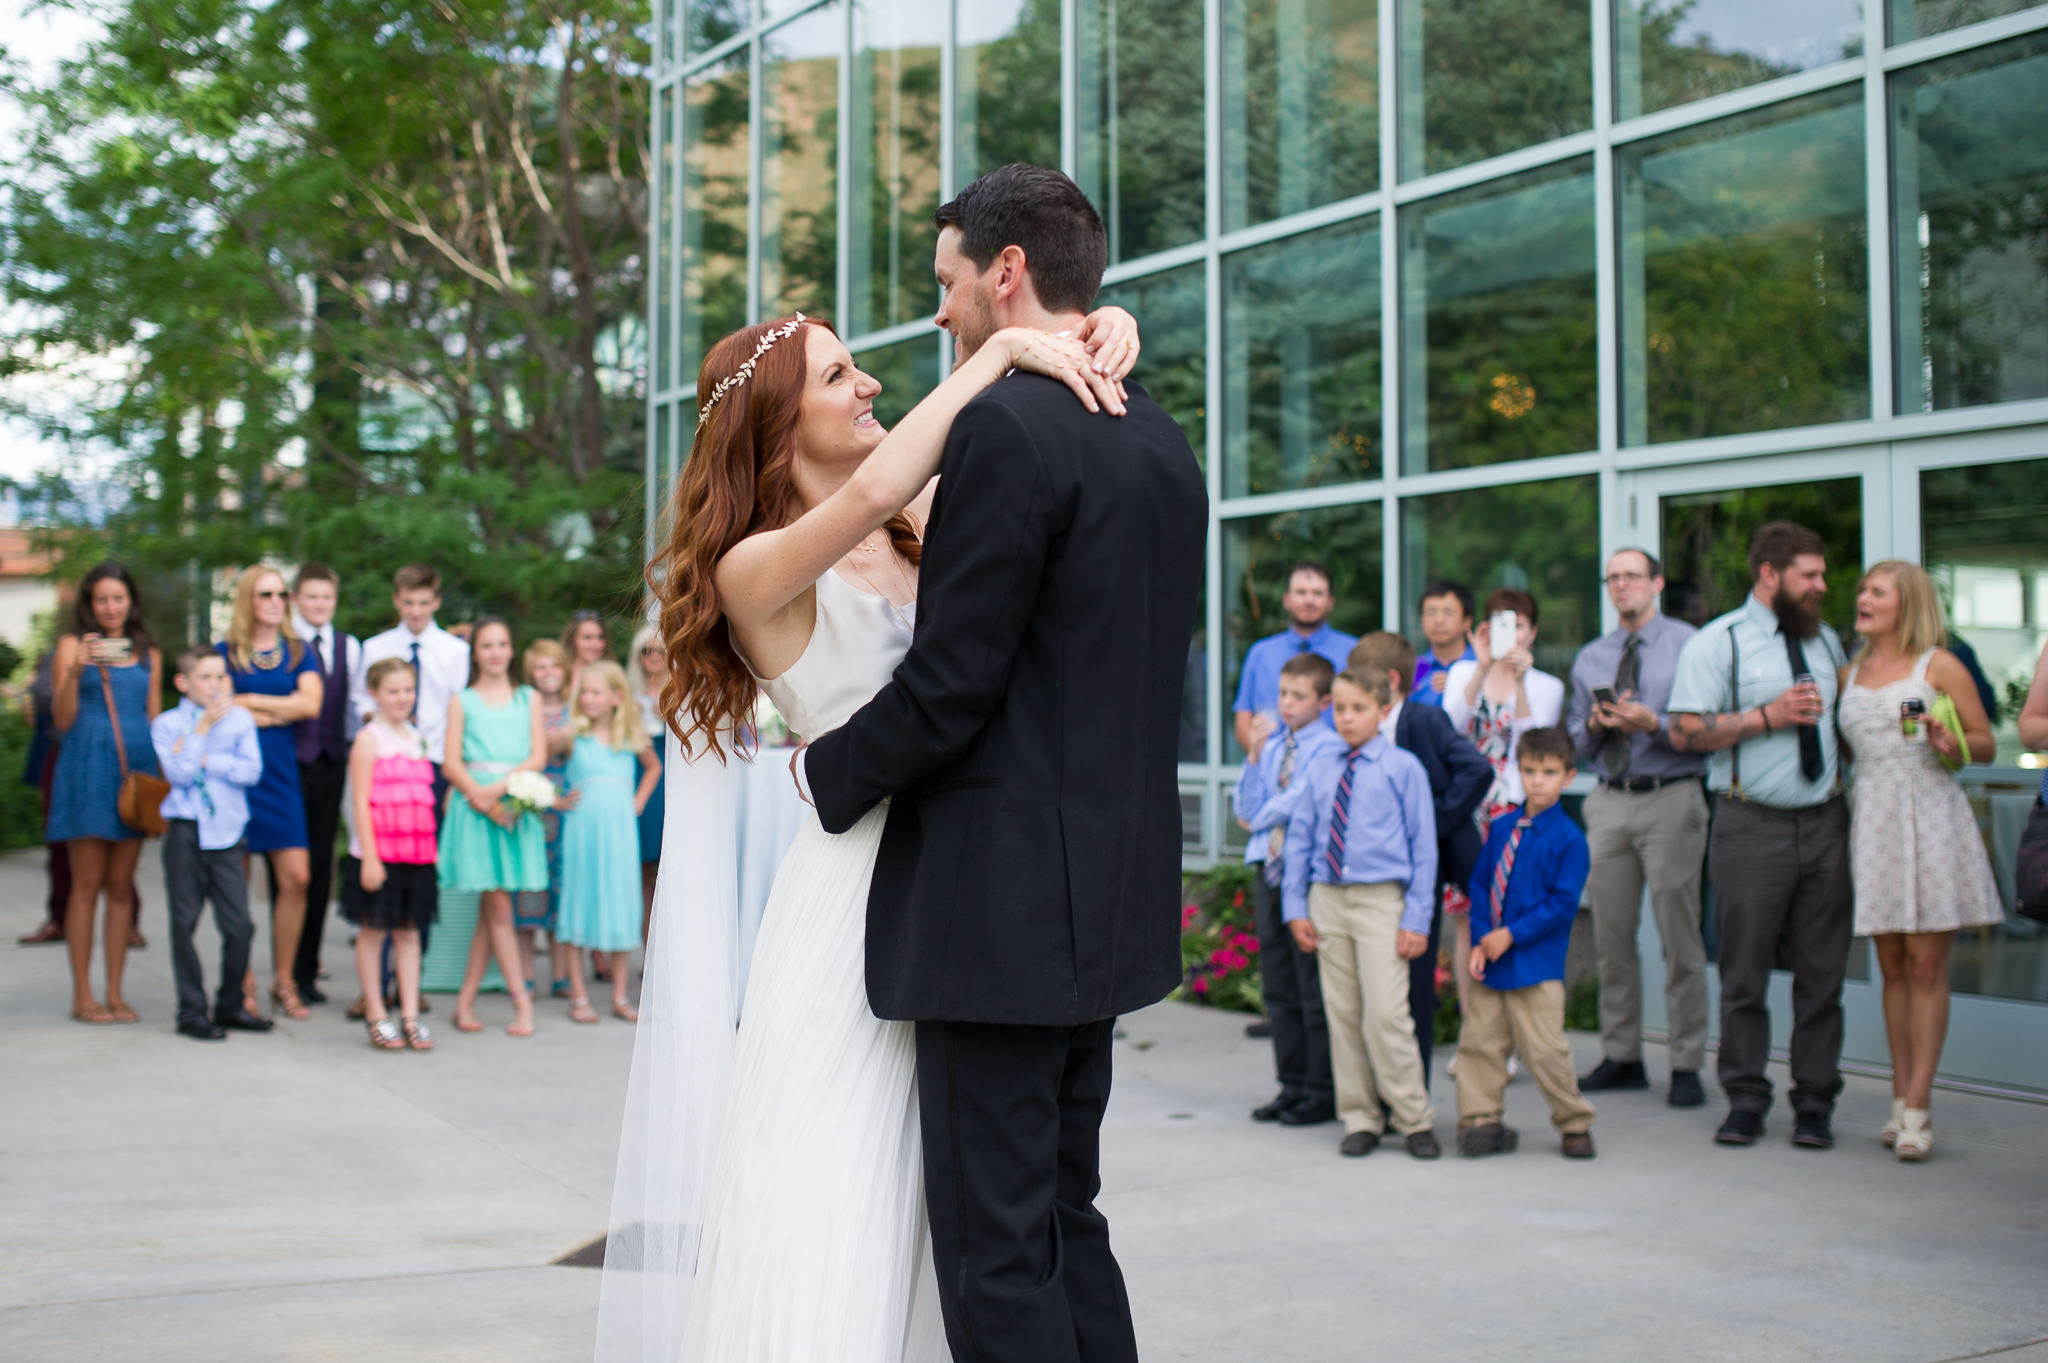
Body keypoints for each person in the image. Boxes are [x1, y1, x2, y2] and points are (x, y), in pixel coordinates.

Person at [597, 167, 1154, 1362]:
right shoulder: (761, 564)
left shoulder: (920, 516)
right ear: (775, 422)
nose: (871, 383)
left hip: (971, 877)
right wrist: (1006, 354)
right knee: (846, 1191)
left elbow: (1019, 487)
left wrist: (1101, 328)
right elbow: (900, 472)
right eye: (841, 375)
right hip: (857, 900)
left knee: (980, 1204)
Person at [1669, 521, 1852, 1151]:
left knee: (1823, 974)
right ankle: (1745, 1098)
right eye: (1810, 575)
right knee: (1745, 973)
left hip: (1827, 822)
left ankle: (1814, 1102)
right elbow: (1684, 731)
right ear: (1769, 575)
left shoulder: (1828, 642)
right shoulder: (1718, 643)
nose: (1822, 586)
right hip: (1751, 825)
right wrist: (1764, 717)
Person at [1838, 561, 2002, 1161]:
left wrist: (1950, 742)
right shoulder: (1847, 673)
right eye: (1861, 589)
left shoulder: (1940, 665)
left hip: (1931, 814)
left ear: (1905, 603)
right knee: (1893, 966)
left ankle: (1918, 1106)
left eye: (1875, 591)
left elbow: (1984, 744)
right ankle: (1896, 1094)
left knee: (1929, 966)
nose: (1862, 598)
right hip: (1874, 819)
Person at [1567, 548, 1709, 1108]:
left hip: (1671, 795)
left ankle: (1686, 1062)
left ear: (1657, 582)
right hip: (1608, 800)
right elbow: (1574, 743)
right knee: (1611, 937)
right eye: (1613, 578)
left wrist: (1657, 722)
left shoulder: (1689, 646)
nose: (1621, 585)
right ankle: (1622, 1053)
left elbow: (1708, 725)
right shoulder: (1591, 657)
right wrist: (1598, 725)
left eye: (1632, 576)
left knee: (1680, 937)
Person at [1279, 667, 1441, 1160]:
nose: (1347, 719)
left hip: (1380, 902)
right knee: (1343, 1014)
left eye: (1359, 709)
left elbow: (1424, 847)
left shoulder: (1403, 767)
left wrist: (1417, 917)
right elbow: (1301, 838)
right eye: (1340, 709)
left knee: (1387, 1014)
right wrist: (1296, 905)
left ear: (1384, 710)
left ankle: (1413, 1117)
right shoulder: (1322, 767)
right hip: (1329, 899)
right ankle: (1361, 1115)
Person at [1347, 631, 1492, 1085]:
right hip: (1378, 872)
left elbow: (1477, 769)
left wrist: (1434, 823)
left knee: (1416, 976)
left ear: (1390, 682)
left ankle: (1416, 1090)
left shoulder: (1425, 720)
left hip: (1430, 865)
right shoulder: (1354, 731)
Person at [1458, 726, 1598, 1158]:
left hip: (1535, 964)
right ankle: (1482, 1119)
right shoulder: (1501, 828)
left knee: (1544, 1049)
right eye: (1530, 770)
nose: (1538, 781)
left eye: (1549, 772)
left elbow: (1560, 905)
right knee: (1481, 1043)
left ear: (1568, 777)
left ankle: (1574, 1121)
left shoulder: (1571, 841)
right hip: (1492, 961)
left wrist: (1510, 935)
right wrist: (1482, 939)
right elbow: (1481, 886)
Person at [1443, 586, 1564, 1065]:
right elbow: (1449, 726)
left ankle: (1513, 1043)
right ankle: (1477, 1037)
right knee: (1466, 924)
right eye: (1499, 622)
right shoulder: (1460, 672)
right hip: (1465, 812)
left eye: (1517, 623)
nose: (1509, 632)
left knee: (1511, 920)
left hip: (1512, 811)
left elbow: (1535, 746)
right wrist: (1479, 668)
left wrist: (1515, 678)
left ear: (1532, 632)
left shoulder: (1546, 684)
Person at [46, 562, 164, 1023]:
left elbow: (154, 718)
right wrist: (75, 672)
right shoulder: (72, 647)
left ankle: (115, 992)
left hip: (135, 772)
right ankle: (82, 996)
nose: (110, 607)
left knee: (121, 888)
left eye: (118, 598)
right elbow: (60, 719)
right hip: (85, 767)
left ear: (131, 600)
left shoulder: (146, 650)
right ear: (88, 604)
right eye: (101, 599)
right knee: (87, 886)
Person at [1232, 651, 1343, 1125]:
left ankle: (1321, 1088)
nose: (1287, 704)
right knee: (1278, 984)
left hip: (1304, 872)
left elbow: (1287, 807)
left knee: (1310, 985)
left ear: (1322, 701)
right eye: (1282, 694)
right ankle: (1290, 1083)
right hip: (1267, 868)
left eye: (1299, 696)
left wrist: (1258, 813)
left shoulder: (1328, 747)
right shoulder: (1273, 745)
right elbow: (1243, 806)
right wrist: (1254, 753)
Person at [218, 564, 324, 1021]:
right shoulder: (225, 653)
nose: (277, 601)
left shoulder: (299, 651)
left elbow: (311, 705)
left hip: (279, 774)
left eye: (282, 593)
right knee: (235, 885)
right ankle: (241, 980)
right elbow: (219, 707)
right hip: (236, 777)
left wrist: (250, 703)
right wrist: (277, 711)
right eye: (266, 594)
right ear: (248, 599)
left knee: (296, 877)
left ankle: (284, 978)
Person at [150, 648, 269, 1041]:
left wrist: (206, 761)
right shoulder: (167, 725)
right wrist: (201, 730)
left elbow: (251, 771)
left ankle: (230, 1003)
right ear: (183, 683)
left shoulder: (240, 721)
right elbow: (179, 775)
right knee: (184, 923)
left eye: (221, 677)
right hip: (185, 830)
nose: (216, 685)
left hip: (227, 833)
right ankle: (191, 1010)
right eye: (206, 677)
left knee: (241, 927)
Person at [440, 617, 548, 1038]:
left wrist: (504, 792)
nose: (496, 652)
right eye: (487, 645)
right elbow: (451, 762)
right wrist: (482, 801)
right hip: (478, 810)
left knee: (493, 910)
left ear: (512, 650)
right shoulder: (462, 701)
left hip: (513, 807)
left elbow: (537, 756)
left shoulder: (529, 698)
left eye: (503, 644)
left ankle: (465, 1000)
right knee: (499, 907)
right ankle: (521, 1001)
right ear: (475, 652)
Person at [342, 658, 440, 1052]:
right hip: (378, 853)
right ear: (375, 694)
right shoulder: (369, 739)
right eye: (393, 691)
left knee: (409, 932)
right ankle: (376, 1013)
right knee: (373, 931)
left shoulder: (415, 736)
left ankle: (411, 1014)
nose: (402, 698)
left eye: (408, 690)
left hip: (414, 853)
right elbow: (360, 802)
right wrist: (370, 857)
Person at [555, 660, 660, 1023]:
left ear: (617, 697)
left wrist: (640, 799)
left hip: (618, 828)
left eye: (595, 692)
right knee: (578, 898)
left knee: (620, 899)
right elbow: (536, 760)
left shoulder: (631, 735)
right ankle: (579, 997)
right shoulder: (571, 734)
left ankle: (618, 996)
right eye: (583, 691)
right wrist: (555, 798)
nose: (588, 698)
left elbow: (654, 767)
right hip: (582, 825)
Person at [290, 562, 360, 1005]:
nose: (319, 604)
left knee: (319, 870)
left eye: (326, 597)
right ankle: (286, 967)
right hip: (291, 765)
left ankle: (306, 970)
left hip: (332, 762)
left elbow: (353, 707)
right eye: (311, 596)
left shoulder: (347, 646)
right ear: (297, 598)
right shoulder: (284, 643)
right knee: (290, 872)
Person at [355, 565, 471, 784]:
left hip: (437, 758)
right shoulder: (375, 648)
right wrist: (384, 720)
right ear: (396, 600)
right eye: (408, 602)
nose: (416, 612)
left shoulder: (457, 651)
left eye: (424, 603)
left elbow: (460, 710)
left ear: (436, 602)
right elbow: (362, 699)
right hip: (386, 757)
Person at [1232, 560, 1357, 760]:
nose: (1309, 600)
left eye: (1317, 593)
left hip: (1333, 774)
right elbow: (1243, 721)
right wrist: (1270, 768)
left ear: (1330, 601)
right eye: (1301, 592)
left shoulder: (1352, 652)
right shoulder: (1260, 653)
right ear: (1286, 599)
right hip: (1270, 776)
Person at [514, 638, 576, 998]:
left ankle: (562, 974)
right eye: (541, 667)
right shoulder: (524, 707)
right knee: (527, 890)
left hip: (566, 806)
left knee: (559, 888)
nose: (548, 673)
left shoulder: (575, 708)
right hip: (531, 804)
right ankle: (523, 974)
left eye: (554, 665)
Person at [19, 645, 73, 945]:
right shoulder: (63, 649)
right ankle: (59, 917)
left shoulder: (133, 650)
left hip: (106, 756)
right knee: (59, 840)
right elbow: (42, 699)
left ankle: (128, 920)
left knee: (116, 843)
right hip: (61, 749)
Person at [626, 624, 669, 939]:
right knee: (639, 867)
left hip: (670, 776)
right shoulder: (627, 695)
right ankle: (643, 952)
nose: (653, 657)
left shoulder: (681, 690)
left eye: (660, 651)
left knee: (665, 868)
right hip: (637, 775)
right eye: (646, 651)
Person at [1413, 580, 1476, 708]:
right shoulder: (1415, 670)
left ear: (1467, 621)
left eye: (1448, 613)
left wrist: (1457, 686)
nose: (1439, 620)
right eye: (1431, 612)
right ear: (1421, 619)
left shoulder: (1480, 666)